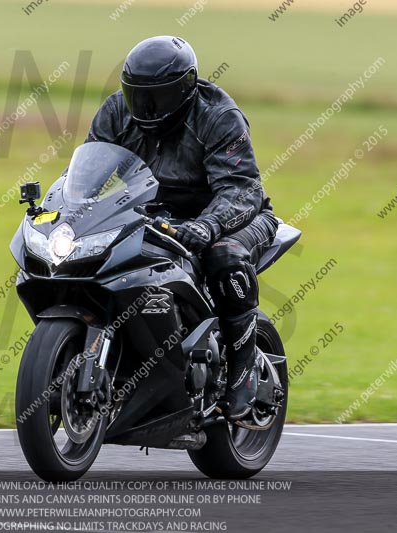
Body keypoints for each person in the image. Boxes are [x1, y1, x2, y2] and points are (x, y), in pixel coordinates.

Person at [85, 36, 279, 421]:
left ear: (186, 87)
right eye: (137, 96)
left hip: (235, 216)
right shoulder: (115, 112)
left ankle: (242, 371)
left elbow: (242, 189)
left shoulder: (219, 116)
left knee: (224, 256)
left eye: (156, 97)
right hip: (157, 214)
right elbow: (88, 172)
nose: (145, 107)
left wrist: (207, 226)